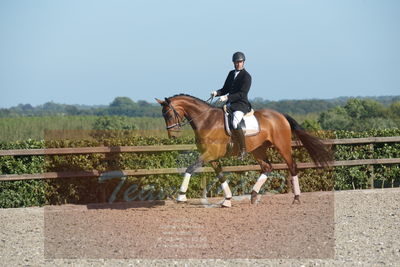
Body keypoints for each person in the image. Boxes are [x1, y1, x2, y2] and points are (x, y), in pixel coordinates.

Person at [211, 51, 252, 159]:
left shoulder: (247, 77)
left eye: (240, 62)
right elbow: (225, 89)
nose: (238, 64)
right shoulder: (231, 73)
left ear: (243, 62)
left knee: (234, 122)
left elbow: (242, 94)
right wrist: (217, 93)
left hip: (241, 104)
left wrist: (227, 97)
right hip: (229, 104)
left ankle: (243, 150)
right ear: (233, 63)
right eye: (236, 62)